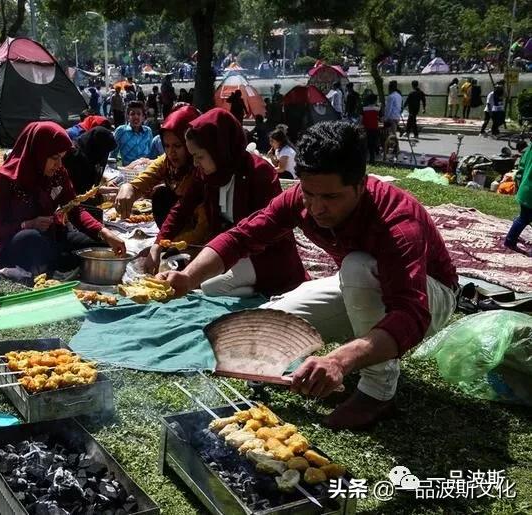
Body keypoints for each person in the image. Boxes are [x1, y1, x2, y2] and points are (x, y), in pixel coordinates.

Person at [159, 122, 458, 430]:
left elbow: (410, 313)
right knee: (264, 328)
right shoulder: (300, 200)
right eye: (309, 194)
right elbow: (242, 236)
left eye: (331, 197)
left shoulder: (397, 221)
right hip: (363, 285)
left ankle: (377, 392)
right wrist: (189, 277)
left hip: (428, 296)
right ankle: (359, 346)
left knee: (356, 266)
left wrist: (339, 361)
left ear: (361, 185)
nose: (317, 208)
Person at [151, 108, 308, 296]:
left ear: (219, 149)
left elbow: (259, 231)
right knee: (189, 271)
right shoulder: (206, 176)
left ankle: (267, 288)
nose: (195, 163)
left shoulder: (259, 174)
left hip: (264, 254)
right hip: (230, 250)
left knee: (207, 286)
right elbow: (182, 208)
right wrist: (158, 243)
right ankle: (255, 290)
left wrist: (206, 265)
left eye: (199, 157)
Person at [0, 122, 125, 276]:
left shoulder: (58, 174)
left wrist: (103, 232)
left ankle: (61, 261)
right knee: (31, 238)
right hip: (16, 242)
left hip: (52, 236)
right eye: (54, 158)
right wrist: (28, 224)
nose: (59, 165)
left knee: (101, 244)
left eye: (62, 158)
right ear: (38, 152)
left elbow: (74, 208)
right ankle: (62, 261)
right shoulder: (3, 180)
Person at [114, 105, 210, 242]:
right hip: (176, 227)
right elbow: (145, 178)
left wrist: (168, 245)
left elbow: (203, 227)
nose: (171, 153)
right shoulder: (167, 162)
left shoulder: (203, 168)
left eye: (178, 146)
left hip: (204, 236)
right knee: (161, 195)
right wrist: (128, 187)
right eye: (167, 146)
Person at [62, 126, 117, 195]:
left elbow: (94, 170)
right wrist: (111, 192)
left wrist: (106, 179)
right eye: (104, 151)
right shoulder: (75, 157)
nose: (104, 155)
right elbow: (82, 190)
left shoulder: (92, 152)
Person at [504, 141, 532, 256]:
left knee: (524, 217)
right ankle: (510, 241)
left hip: (525, 189)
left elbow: (520, 170)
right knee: (524, 218)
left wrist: (519, 185)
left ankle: (510, 240)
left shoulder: (528, 150)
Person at [111, 101, 153, 166]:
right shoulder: (121, 131)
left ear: (143, 117)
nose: (136, 116)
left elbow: (151, 153)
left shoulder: (148, 131)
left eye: (139, 114)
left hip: (146, 169)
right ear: (128, 117)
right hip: (128, 169)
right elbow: (112, 155)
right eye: (132, 114)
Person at [362, 93, 381, 165]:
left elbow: (361, 119)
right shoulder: (377, 109)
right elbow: (382, 119)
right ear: (375, 100)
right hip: (374, 128)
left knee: (367, 143)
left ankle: (365, 158)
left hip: (366, 128)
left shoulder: (364, 109)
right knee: (373, 143)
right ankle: (372, 158)